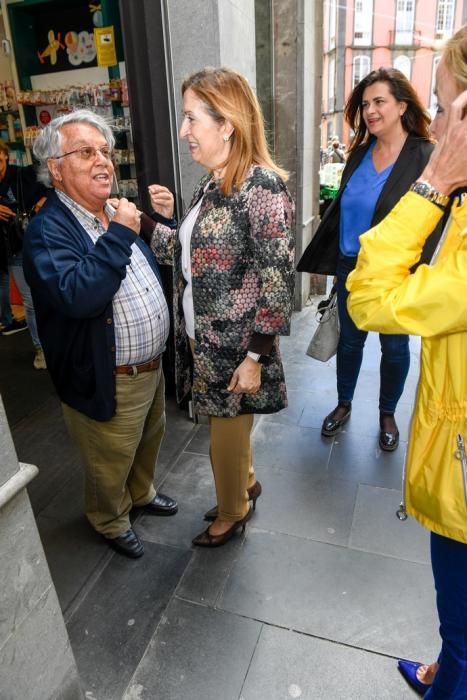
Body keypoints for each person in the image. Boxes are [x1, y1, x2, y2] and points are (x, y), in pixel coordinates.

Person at [347, 25, 467, 699]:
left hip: (462, 479)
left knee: (463, 633)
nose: (442, 119)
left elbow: (371, 295)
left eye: (447, 105)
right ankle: (446, 668)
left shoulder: (437, 172)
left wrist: (433, 183)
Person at [148, 67, 295, 547]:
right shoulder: (212, 183)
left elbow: (278, 284)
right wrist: (148, 225)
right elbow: (192, 258)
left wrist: (255, 358)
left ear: (227, 123)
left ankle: (233, 511)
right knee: (225, 429)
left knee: (224, 437)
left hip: (236, 349)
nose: (183, 131)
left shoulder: (262, 188)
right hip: (204, 339)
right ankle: (246, 484)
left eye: (192, 119)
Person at [22, 110, 178, 559]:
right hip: (106, 374)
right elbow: (78, 296)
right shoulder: (47, 231)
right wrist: (121, 236)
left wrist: (159, 221)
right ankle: (109, 518)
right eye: (86, 152)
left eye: (105, 152)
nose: (103, 161)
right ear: (55, 168)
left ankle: (142, 494)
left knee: (148, 441)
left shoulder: (114, 210)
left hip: (149, 368)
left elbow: (148, 268)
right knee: (108, 460)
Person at [298, 68, 443, 451]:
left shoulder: (424, 155)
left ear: (402, 105)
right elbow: (344, 211)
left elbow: (436, 219)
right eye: (365, 104)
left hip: (396, 274)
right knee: (349, 343)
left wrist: (420, 275)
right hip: (350, 268)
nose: (370, 110)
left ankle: (387, 413)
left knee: (394, 349)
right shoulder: (360, 153)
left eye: (379, 101)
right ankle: (343, 404)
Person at [0, 140, 48, 368]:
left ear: (6, 157)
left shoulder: (24, 175)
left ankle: (47, 347)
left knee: (38, 299)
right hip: (7, 249)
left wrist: (44, 200)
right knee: (30, 300)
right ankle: (39, 347)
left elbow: (56, 182)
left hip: (31, 243)